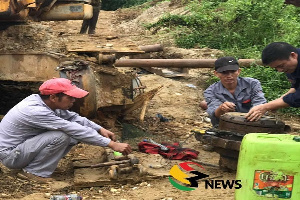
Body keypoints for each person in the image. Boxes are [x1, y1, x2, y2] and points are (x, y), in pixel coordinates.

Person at [0, 78, 132, 183]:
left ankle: (41, 165)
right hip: (12, 156)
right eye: (70, 97)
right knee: (62, 135)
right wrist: (112, 144)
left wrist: (100, 129)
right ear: (53, 97)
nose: (74, 100)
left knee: (71, 135)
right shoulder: (36, 111)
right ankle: (34, 172)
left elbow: (73, 118)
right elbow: (71, 128)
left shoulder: (43, 102)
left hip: (21, 149)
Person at [204, 56, 267, 127]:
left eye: (233, 71)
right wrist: (221, 108)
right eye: (224, 72)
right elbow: (214, 114)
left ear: (238, 71)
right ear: (216, 73)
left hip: (253, 124)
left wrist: (256, 111)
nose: (229, 76)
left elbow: (260, 102)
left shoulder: (252, 84)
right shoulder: (210, 91)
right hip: (226, 126)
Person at [246, 42, 300, 121]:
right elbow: (296, 87)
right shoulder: (291, 67)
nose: (280, 70)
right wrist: (277, 101)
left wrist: (267, 106)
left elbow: (298, 97)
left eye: (281, 66)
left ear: (293, 55)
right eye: (276, 68)